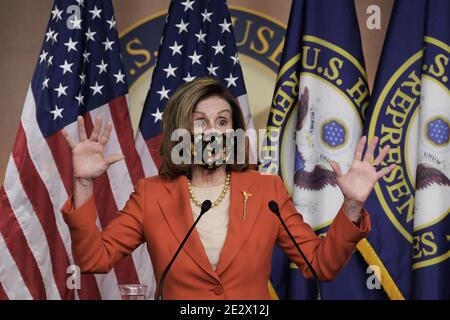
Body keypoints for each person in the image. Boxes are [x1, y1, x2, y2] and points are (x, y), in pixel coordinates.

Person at [61, 77, 395, 300]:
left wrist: (351, 205)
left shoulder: (268, 192)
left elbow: (321, 264)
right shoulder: (151, 195)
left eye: (223, 122)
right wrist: (83, 183)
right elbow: (94, 259)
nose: (213, 132)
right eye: (200, 122)